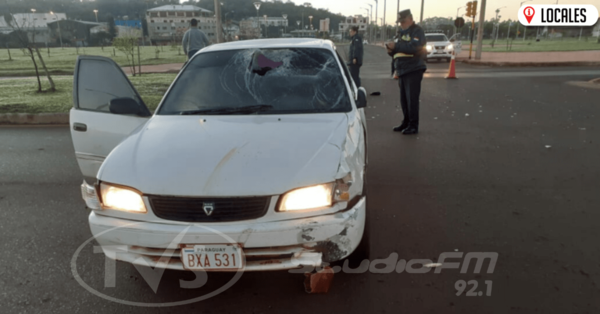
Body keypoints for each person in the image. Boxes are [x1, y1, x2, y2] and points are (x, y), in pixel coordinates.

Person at [386, 9, 427, 135]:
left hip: (414, 68)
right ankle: (406, 122)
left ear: (410, 19)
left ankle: (413, 125)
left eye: (403, 21)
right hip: (402, 69)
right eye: (400, 22)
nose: (401, 24)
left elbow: (414, 48)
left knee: (412, 99)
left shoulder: (417, 31)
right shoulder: (401, 33)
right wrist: (391, 51)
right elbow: (399, 51)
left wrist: (396, 47)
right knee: (404, 100)